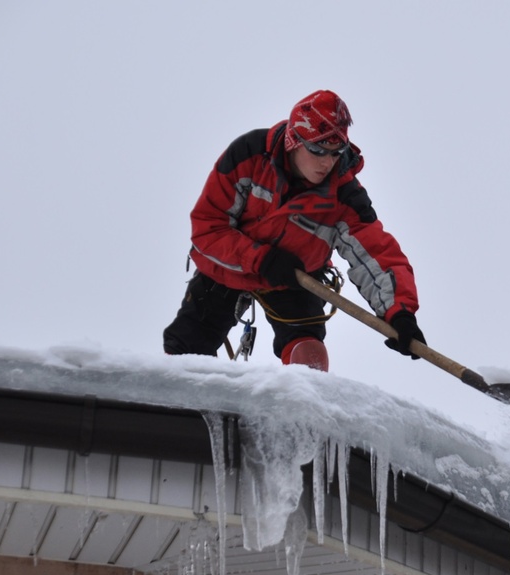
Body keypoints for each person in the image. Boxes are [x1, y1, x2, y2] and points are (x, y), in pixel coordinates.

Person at [162, 90, 426, 371]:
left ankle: (298, 408)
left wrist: (399, 313)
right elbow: (208, 228)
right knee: (187, 349)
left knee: (308, 354)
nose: (327, 162)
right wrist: (261, 259)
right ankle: (184, 406)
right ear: (293, 141)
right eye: (317, 151)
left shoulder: (345, 196)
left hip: (296, 278)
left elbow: (377, 253)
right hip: (228, 267)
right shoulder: (248, 155)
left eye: (336, 153)